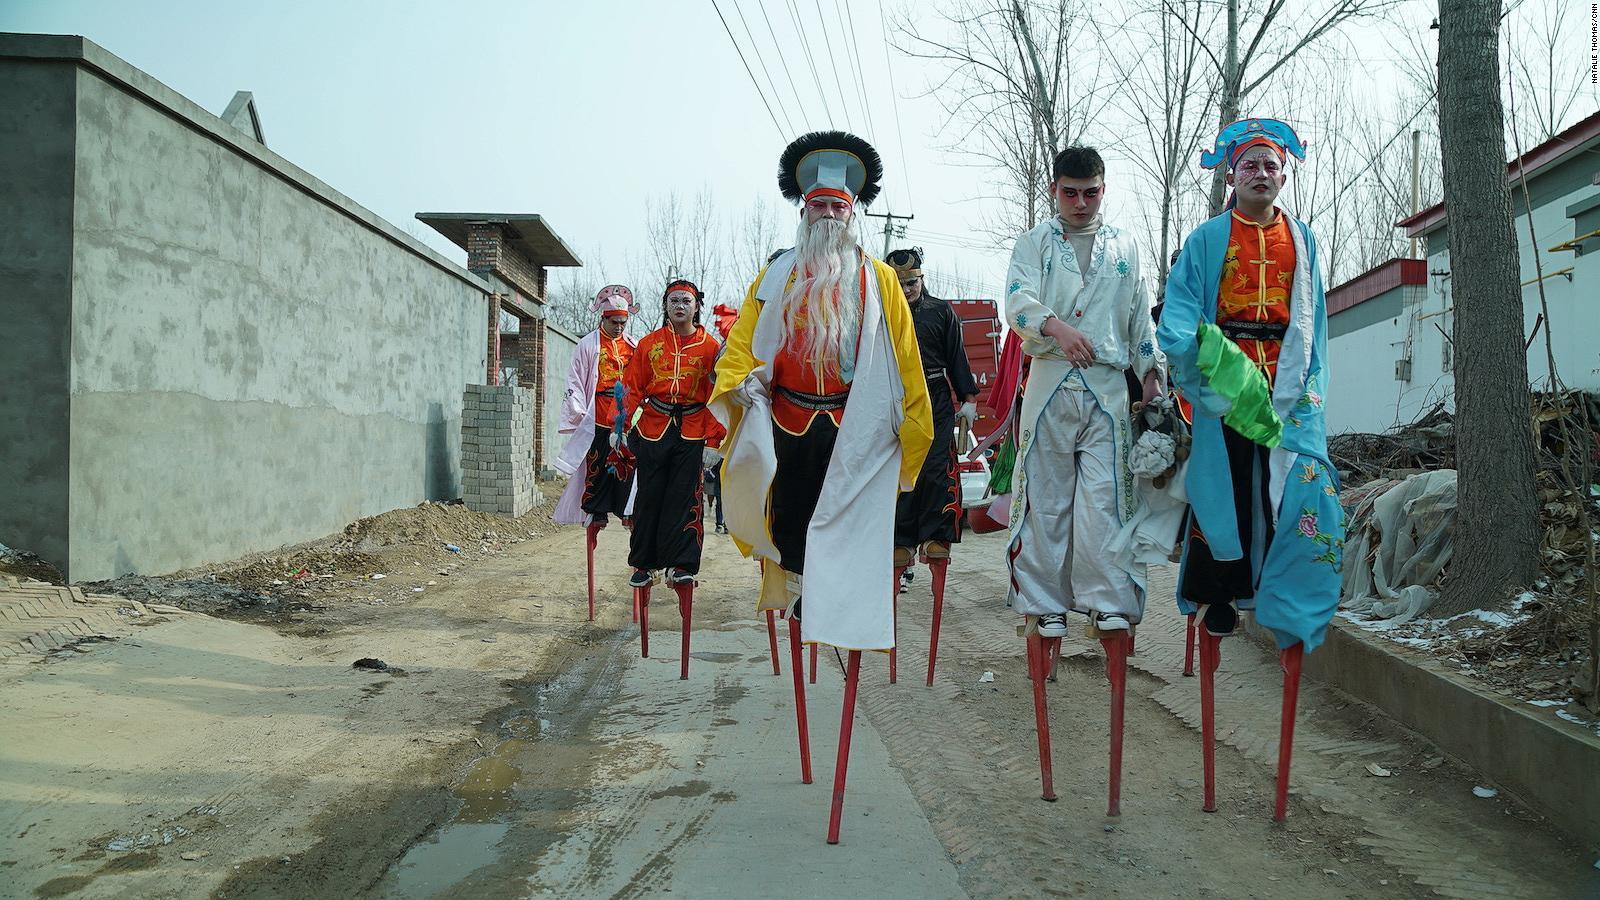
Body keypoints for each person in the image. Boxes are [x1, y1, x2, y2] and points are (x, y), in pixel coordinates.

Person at [710, 130, 932, 842]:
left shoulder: (879, 280)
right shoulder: (776, 276)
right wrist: (739, 380)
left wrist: (907, 429)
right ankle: (805, 600)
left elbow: (903, 362)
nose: (827, 220)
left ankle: (839, 607)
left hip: (850, 429)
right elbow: (745, 342)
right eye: (817, 211)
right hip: (786, 425)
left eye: (838, 210)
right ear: (803, 215)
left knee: (845, 534)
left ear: (853, 215)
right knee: (795, 533)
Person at [1158, 117, 1343, 820]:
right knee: (1226, 497)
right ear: (1230, 177)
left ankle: (1288, 604)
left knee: (1297, 500)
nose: (1261, 175)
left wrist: (1313, 392)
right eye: (1249, 166)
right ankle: (1218, 598)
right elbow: (1178, 314)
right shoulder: (1206, 240)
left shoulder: (1306, 240)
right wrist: (1206, 368)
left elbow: (1316, 323)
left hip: (1291, 390)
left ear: (1284, 176)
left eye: (1271, 166)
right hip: (1227, 387)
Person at [1002, 145, 1165, 637]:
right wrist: (1056, 328)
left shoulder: (1125, 247)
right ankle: (1043, 600)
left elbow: (1139, 316)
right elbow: (1016, 301)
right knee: (1045, 495)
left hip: (1109, 385)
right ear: (1054, 190)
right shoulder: (1034, 244)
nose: (1080, 203)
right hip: (1051, 376)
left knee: (1108, 496)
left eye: (1089, 193)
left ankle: (1110, 599)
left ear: (1103, 190)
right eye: (1069, 193)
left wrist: (1152, 374)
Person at [620, 280, 725, 587]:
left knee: (686, 498)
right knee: (649, 496)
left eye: (686, 301)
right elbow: (631, 387)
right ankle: (644, 562)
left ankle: (682, 564)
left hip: (693, 431)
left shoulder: (711, 348)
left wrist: (714, 440)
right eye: (674, 301)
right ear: (665, 306)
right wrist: (620, 425)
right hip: (654, 426)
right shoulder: (649, 344)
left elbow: (716, 397)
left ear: (696, 307)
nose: (680, 306)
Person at [885, 247, 979, 572]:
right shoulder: (880, 313)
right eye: (900, 284)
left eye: (912, 282)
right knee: (901, 467)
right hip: (895, 397)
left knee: (938, 465)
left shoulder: (941, 311)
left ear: (921, 279)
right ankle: (900, 540)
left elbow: (957, 356)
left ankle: (935, 537)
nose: (907, 289)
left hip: (936, 394)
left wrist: (968, 399)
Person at [553, 285, 638, 527]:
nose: (619, 327)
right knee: (598, 461)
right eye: (614, 322)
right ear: (604, 318)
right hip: (598, 410)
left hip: (626, 412)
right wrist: (578, 410)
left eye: (623, 322)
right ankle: (596, 509)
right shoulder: (588, 345)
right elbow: (576, 380)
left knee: (626, 461)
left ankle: (627, 508)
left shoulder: (633, 345)